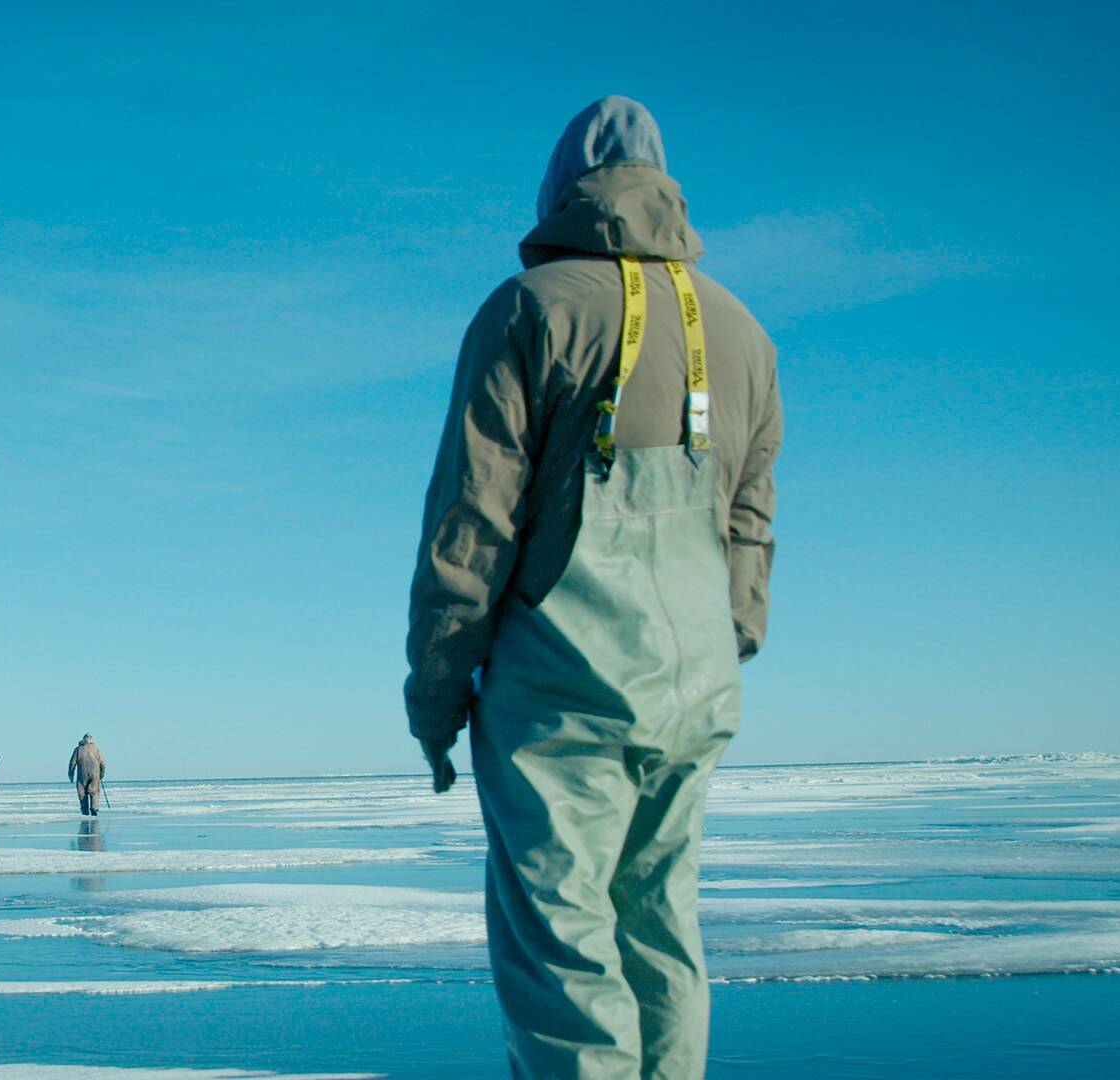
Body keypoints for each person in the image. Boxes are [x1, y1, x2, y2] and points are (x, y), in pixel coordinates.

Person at [404, 95, 782, 1080]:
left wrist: (438, 694)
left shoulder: (531, 310)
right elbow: (750, 524)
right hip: (693, 690)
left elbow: (471, 525)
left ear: (560, 190)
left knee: (564, 954)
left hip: (560, 693)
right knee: (662, 932)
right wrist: (723, 641)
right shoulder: (745, 335)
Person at [67, 734, 105, 816]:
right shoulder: (96, 749)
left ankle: (85, 810)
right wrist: (101, 774)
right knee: (94, 791)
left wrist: (71, 774)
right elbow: (103, 763)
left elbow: (72, 763)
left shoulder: (78, 749)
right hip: (95, 774)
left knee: (82, 792)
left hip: (82, 775)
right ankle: (94, 808)